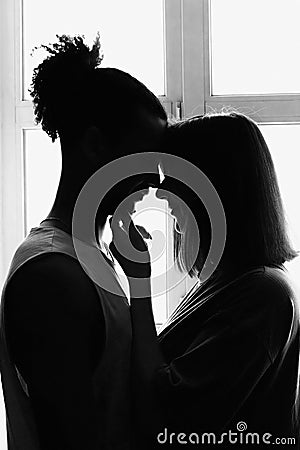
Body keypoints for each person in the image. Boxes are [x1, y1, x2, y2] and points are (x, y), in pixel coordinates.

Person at [0, 34, 167, 450]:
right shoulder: (53, 277)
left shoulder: (92, 257)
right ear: (94, 145)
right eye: (144, 157)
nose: (157, 179)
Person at [110, 112, 300, 449]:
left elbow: (166, 426)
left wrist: (140, 284)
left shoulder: (262, 296)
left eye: (175, 179)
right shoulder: (228, 283)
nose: (163, 195)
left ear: (217, 188)